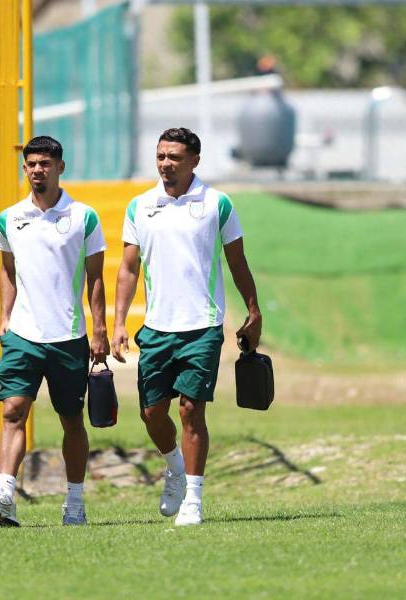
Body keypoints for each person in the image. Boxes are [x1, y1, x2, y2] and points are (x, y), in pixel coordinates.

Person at [112, 127, 262, 526]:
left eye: (174, 157)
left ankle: (193, 497)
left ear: (194, 160)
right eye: (161, 156)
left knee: (191, 410)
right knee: (150, 413)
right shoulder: (140, 206)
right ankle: (174, 466)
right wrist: (119, 323)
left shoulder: (217, 204)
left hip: (203, 325)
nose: (166, 164)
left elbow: (238, 262)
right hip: (157, 327)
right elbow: (128, 269)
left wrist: (254, 312)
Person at [0, 136, 109, 527]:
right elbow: (7, 269)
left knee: (71, 420)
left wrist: (98, 329)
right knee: (13, 410)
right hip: (23, 334)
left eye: (45, 163)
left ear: (60, 167)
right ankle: (5, 493)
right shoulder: (9, 218)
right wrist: (5, 316)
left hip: (68, 336)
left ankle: (75, 500)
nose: (37, 170)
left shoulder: (84, 217)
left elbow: (95, 278)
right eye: (31, 164)